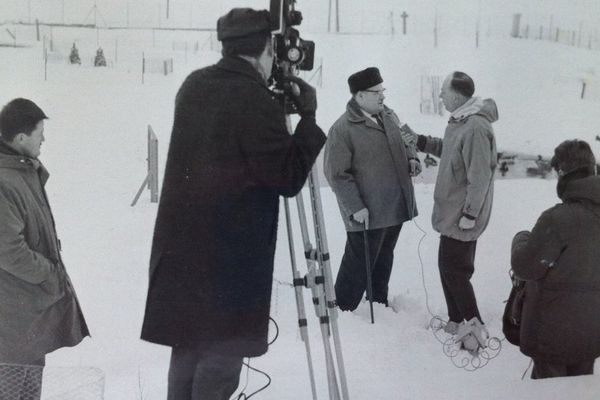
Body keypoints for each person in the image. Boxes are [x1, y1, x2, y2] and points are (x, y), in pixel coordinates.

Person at [140, 8, 326, 400]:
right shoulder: (254, 99)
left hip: (183, 252)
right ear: (265, 50)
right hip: (228, 262)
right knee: (219, 362)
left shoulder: (193, 86)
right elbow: (287, 177)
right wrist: (307, 119)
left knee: (187, 348)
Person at [0, 98, 89, 399]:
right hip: (11, 320)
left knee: (28, 392)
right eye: (40, 133)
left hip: (29, 314)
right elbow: (9, 251)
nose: (44, 140)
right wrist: (50, 274)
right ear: (21, 138)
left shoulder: (23, 170)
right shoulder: (4, 181)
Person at [401, 71, 497, 348]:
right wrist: (419, 141)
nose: (440, 96)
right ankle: (458, 321)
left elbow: (479, 176)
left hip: (462, 213)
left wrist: (470, 214)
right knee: (450, 267)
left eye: (443, 92)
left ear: (457, 95)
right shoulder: (461, 122)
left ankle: (473, 326)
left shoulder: (476, 127)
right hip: (453, 211)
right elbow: (450, 150)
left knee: (455, 270)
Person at [324, 67, 420, 311]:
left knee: (384, 257)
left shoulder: (389, 115)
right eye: (376, 92)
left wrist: (413, 159)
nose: (382, 96)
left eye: (382, 90)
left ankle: (378, 303)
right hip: (367, 212)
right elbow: (336, 175)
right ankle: (344, 310)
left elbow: (406, 141)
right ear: (359, 96)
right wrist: (355, 207)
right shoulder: (343, 129)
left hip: (394, 205)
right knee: (358, 263)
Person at [511, 139, 600, 379]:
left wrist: (521, 239)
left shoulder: (556, 219)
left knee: (549, 393)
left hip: (550, 335)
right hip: (591, 333)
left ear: (563, 173)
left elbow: (525, 267)